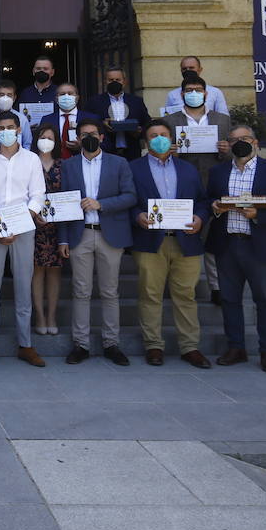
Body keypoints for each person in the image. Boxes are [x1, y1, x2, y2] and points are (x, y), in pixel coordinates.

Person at [207, 125, 266, 374]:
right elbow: (208, 199)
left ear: (255, 142)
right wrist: (215, 206)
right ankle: (236, 347)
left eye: (245, 139)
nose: (240, 143)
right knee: (229, 299)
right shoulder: (218, 171)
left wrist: (258, 214)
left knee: (265, 300)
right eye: (234, 140)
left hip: (259, 244)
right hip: (227, 243)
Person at [129, 120, 212, 368]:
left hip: (186, 240)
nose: (159, 139)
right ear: (146, 141)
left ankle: (190, 347)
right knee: (150, 295)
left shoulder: (188, 169)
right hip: (150, 241)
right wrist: (137, 215)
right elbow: (127, 199)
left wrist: (200, 218)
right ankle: (153, 345)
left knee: (186, 295)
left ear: (171, 138)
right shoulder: (133, 168)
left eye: (163, 135)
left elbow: (203, 201)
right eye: (153, 135)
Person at [56, 119, 137, 365]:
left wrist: (102, 204)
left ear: (101, 137)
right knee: (81, 291)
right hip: (80, 234)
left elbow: (130, 196)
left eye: (92, 134)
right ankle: (81, 344)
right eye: (83, 135)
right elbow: (63, 202)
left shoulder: (119, 163)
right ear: (77, 139)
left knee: (110, 291)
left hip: (109, 234)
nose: (88, 137)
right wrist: (62, 239)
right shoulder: (68, 165)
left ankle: (111, 343)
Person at [0, 111, 46, 367]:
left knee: (22, 286)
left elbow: (37, 194)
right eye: (1, 127)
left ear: (19, 130)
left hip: (23, 228)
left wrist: (19, 223)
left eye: (10, 127)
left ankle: (26, 345)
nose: (6, 131)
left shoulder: (31, 159)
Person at [161, 74, 232, 305]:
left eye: (198, 89)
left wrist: (226, 150)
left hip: (214, 182)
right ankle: (176, 286)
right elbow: (159, 151)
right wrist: (169, 150)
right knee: (182, 233)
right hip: (182, 183)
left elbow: (231, 156)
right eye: (189, 89)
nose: (194, 93)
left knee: (213, 236)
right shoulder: (170, 121)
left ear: (206, 94)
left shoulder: (222, 120)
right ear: (182, 94)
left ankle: (216, 287)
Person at [30, 122, 64, 338]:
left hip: (57, 228)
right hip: (32, 225)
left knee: (54, 273)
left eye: (51, 137)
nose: (46, 141)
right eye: (43, 136)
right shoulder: (30, 163)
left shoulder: (64, 165)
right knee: (36, 272)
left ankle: (52, 316)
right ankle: (39, 316)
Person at [85, 66, 150, 159]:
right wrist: (102, 124)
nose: (114, 82)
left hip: (132, 152)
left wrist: (138, 131)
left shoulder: (136, 102)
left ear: (124, 81)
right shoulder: (94, 102)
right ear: (105, 82)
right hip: (105, 153)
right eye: (110, 80)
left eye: (118, 79)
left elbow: (147, 124)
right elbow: (86, 124)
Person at [161, 56, 230, 116]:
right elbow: (168, 117)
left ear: (200, 70)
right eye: (184, 69)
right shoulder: (172, 94)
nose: (188, 71)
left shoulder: (215, 92)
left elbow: (223, 117)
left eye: (191, 68)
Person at [0, 81, 32, 150]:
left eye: (9, 95)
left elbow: (27, 144)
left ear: (14, 98)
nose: (5, 98)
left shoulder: (22, 119)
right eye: (1, 95)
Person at [53, 83, 100, 159]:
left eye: (70, 94)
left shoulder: (92, 118)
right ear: (56, 99)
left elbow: (103, 143)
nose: (66, 96)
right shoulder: (47, 119)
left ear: (77, 98)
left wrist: (82, 145)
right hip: (56, 164)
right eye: (62, 94)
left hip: (84, 161)